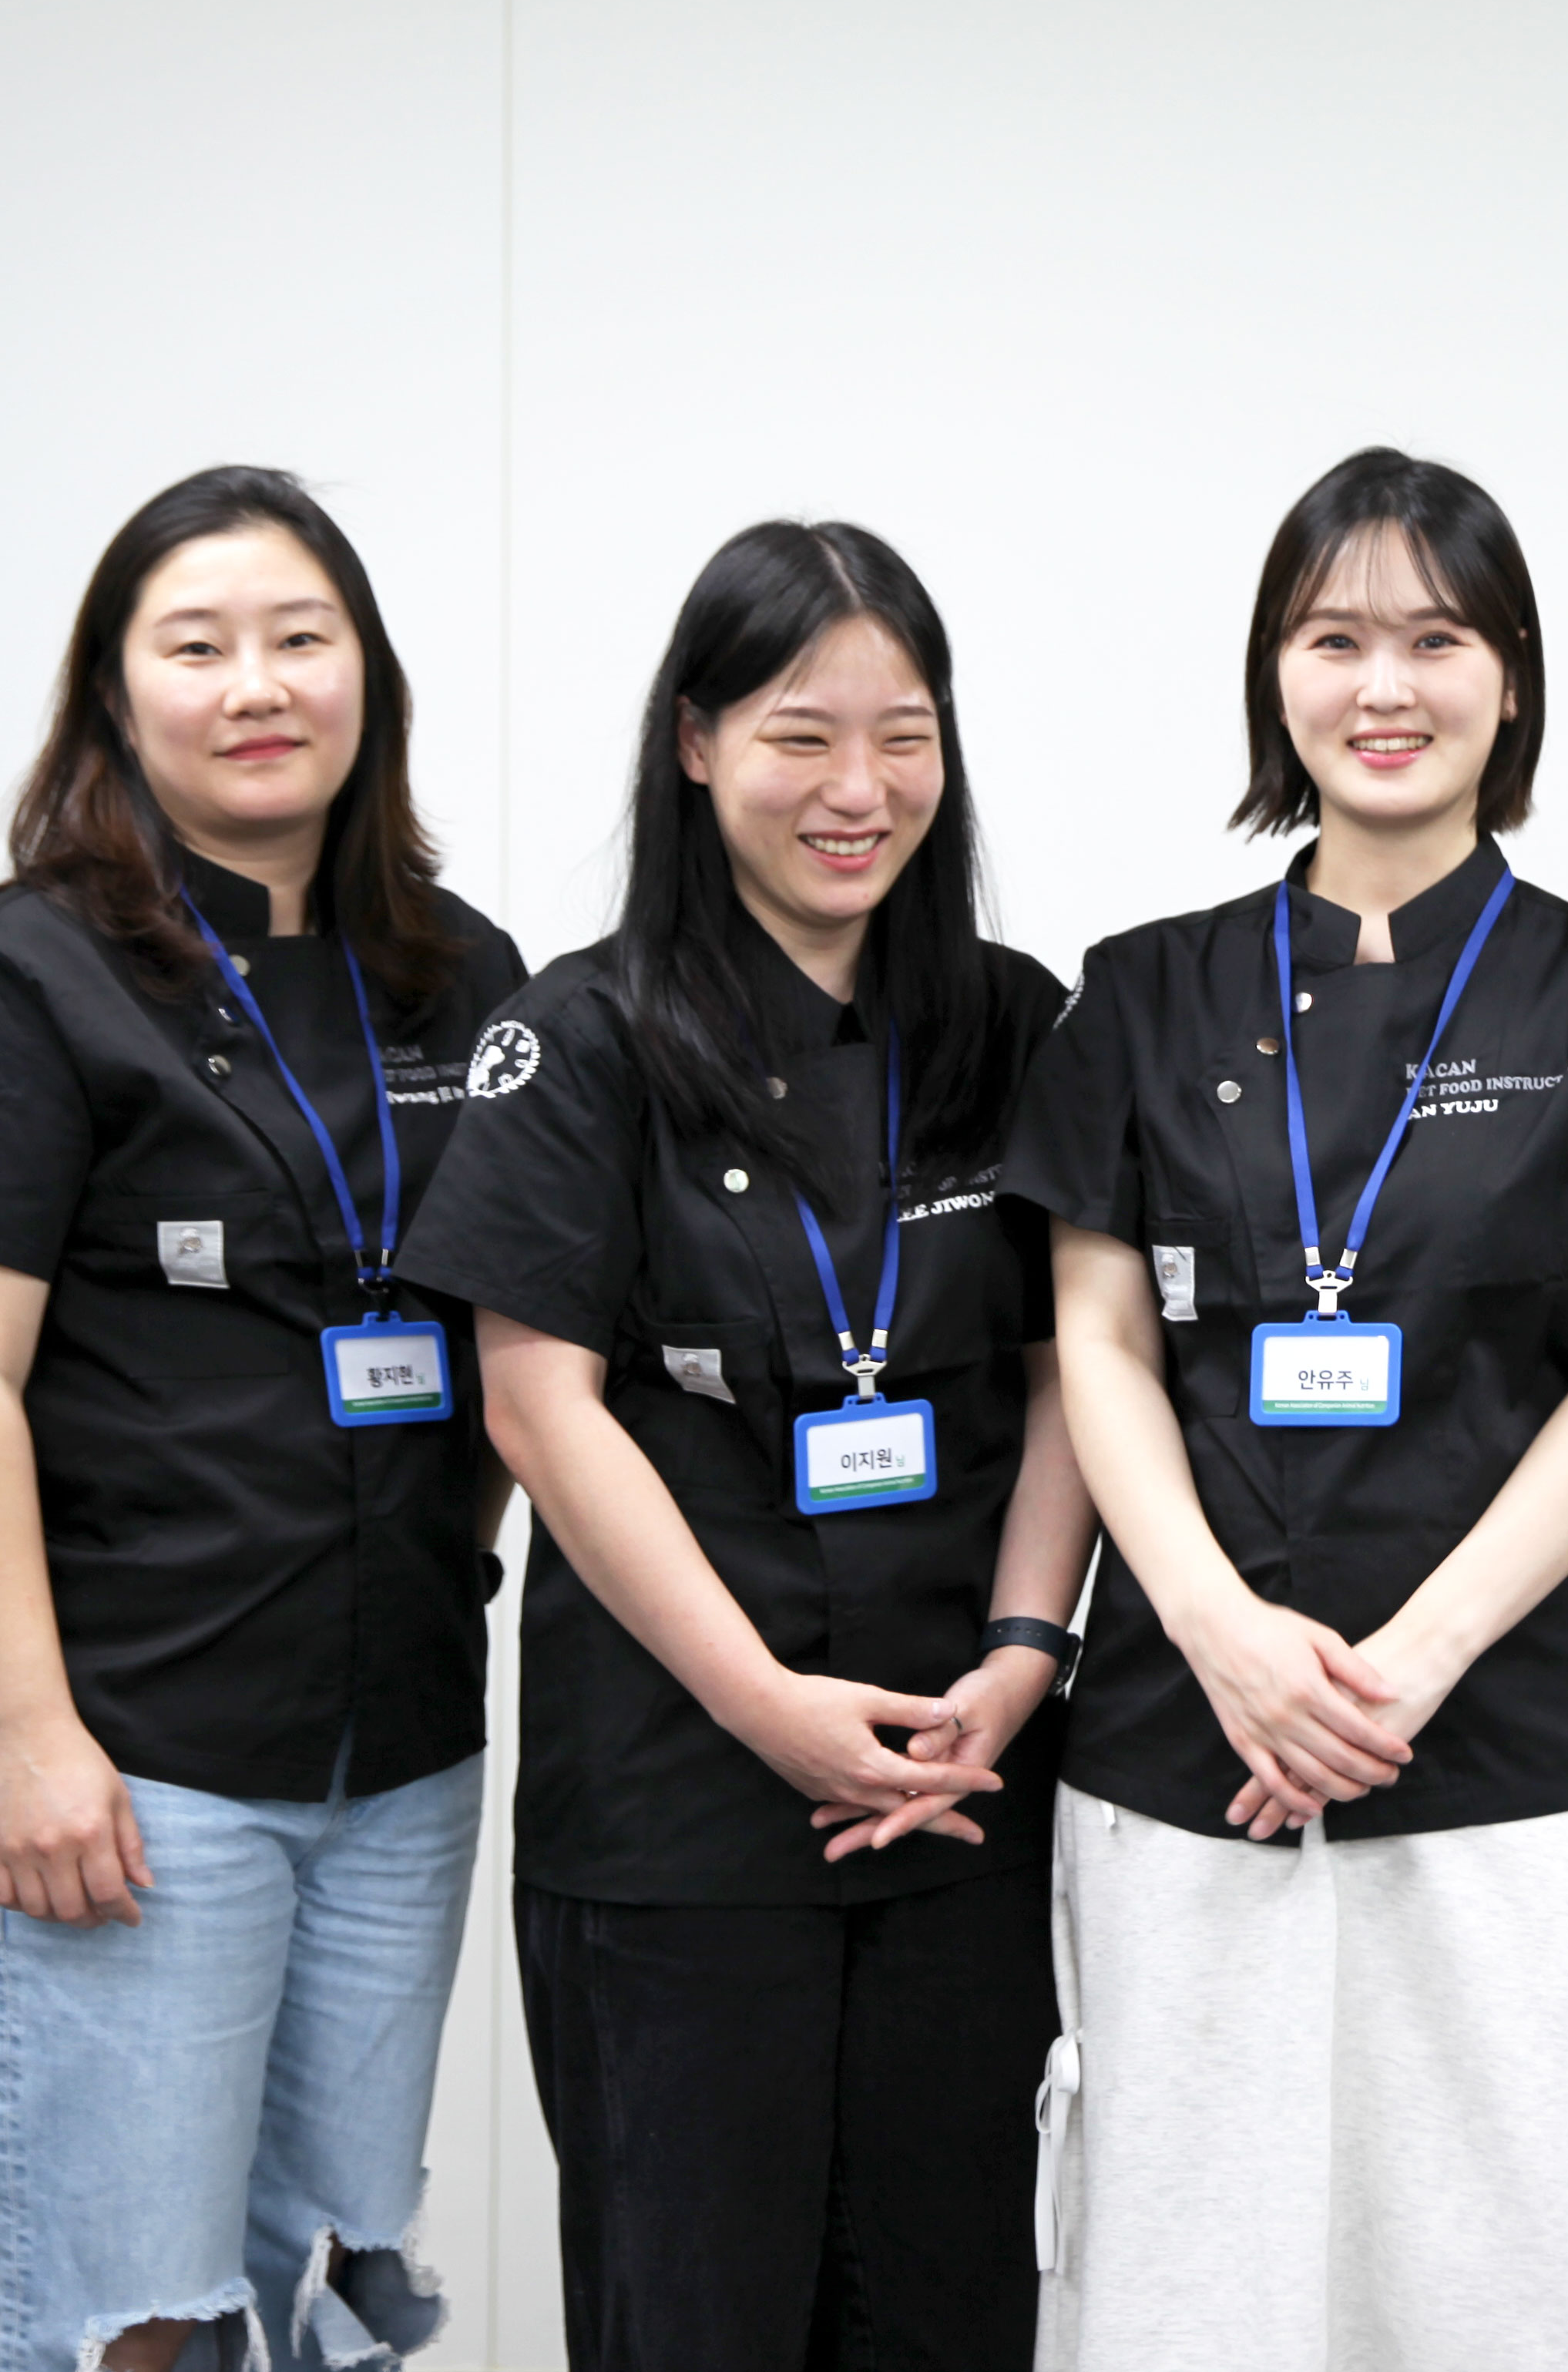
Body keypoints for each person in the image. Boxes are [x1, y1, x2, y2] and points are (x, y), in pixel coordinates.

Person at [1015, 444, 1568, 2372]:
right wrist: (1224, 1639)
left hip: (1519, 1751)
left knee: (1507, 2289)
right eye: (1335, 637)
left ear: (1509, 681)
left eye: (1438, 640)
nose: (1386, 686)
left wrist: (1403, 1672)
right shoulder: (1141, 995)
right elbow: (1099, 1348)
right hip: (1189, 1746)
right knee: (1191, 2289)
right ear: (1272, 674)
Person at [392, 521, 1090, 2372]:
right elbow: (539, 1405)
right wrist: (766, 1705)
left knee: (951, 2318)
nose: (859, 790)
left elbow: (1073, 1376)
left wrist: (1027, 1653)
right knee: (691, 2320)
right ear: (697, 743)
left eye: (904, 737)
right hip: (680, 1810)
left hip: (966, 1789)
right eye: (801, 735)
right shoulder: (581, 1037)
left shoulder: (1014, 1026)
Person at [0, 465, 526, 2372]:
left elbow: (513, 1347)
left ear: (365, 671)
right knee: (132, 2310)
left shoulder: (464, 975)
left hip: (403, 1751)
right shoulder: (40, 968)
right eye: (197, 645)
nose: (257, 686)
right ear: (114, 689)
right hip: (144, 1763)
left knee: (327, 2289)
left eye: (301, 638)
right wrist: (29, 1735)